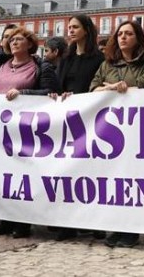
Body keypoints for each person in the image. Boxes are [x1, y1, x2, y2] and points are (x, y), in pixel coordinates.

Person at [90, 20, 144, 248]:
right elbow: (93, 89)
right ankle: (118, 226)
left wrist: (120, 87)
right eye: (120, 34)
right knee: (115, 180)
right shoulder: (108, 63)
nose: (123, 37)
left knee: (134, 180)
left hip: (139, 129)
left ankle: (132, 230)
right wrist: (110, 88)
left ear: (138, 38)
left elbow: (143, 86)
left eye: (129, 34)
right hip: (110, 131)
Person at [0, 27, 58, 239]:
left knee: (23, 177)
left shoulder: (40, 66)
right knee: (2, 175)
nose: (14, 42)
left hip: (26, 130)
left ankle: (22, 222)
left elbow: (50, 92)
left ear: (30, 44)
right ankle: (4, 220)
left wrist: (24, 93)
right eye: (12, 40)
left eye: (19, 39)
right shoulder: (1, 64)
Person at [48, 15, 105, 241]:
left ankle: (94, 222)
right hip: (67, 119)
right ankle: (67, 224)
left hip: (90, 119)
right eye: (68, 28)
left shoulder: (98, 58)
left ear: (86, 30)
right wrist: (57, 94)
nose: (70, 31)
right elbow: (58, 84)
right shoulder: (66, 57)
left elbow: (96, 86)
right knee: (68, 172)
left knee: (90, 172)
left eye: (75, 27)